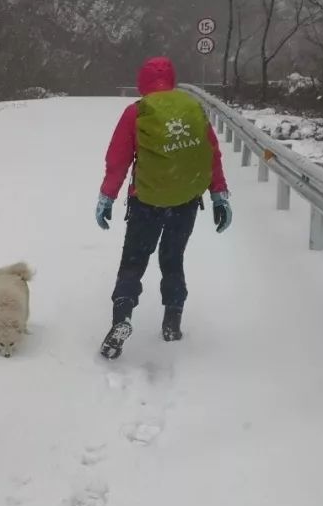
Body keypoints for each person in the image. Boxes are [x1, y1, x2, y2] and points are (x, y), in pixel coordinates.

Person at [95, 56, 231, 359]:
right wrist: (219, 194)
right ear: (173, 79)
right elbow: (211, 154)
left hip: (146, 202)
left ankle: (122, 319)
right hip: (185, 203)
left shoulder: (137, 112)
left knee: (133, 260)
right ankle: (172, 319)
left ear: (142, 80)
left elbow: (118, 160)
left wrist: (107, 197)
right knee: (172, 258)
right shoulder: (192, 108)